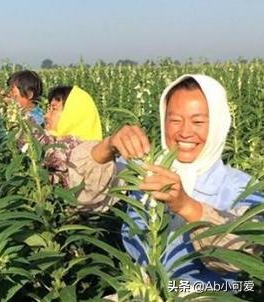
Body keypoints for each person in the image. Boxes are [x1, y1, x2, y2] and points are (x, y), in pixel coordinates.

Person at [70, 74, 263, 289]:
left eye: (198, 121)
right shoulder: (147, 170)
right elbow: (81, 196)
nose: (185, 132)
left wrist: (186, 206)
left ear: (219, 124)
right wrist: (108, 146)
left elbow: (242, 258)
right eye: (174, 120)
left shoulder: (242, 188)